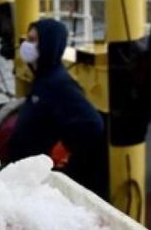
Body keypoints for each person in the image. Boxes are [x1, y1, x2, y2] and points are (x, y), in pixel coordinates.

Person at [6, 18, 107, 198]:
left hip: (36, 179)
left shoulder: (60, 84)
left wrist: (62, 149)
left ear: (49, 45)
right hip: (23, 173)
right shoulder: (43, 79)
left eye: (33, 40)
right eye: (27, 39)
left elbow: (93, 124)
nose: (26, 45)